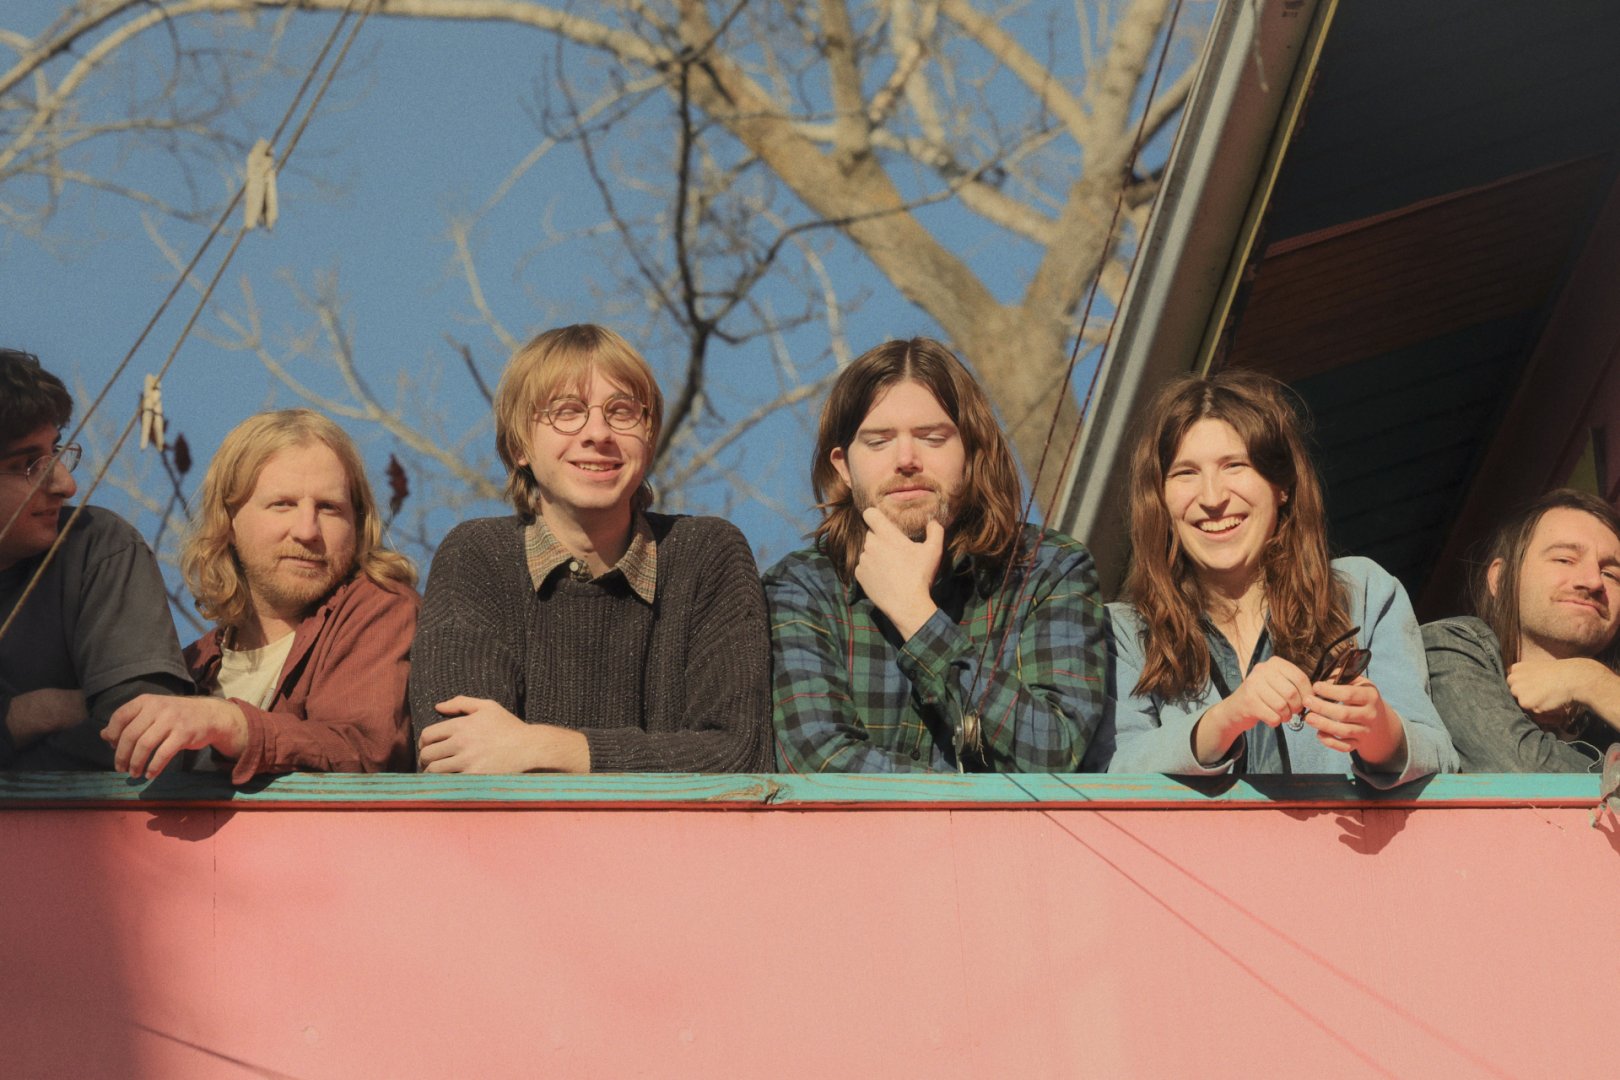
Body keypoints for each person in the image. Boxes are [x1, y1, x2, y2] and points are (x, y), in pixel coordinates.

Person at [408, 324, 771, 773]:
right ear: (520, 444)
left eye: (622, 412)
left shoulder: (707, 555)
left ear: (648, 438)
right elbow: (456, 756)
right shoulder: (478, 556)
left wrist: (547, 748)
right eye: (567, 411)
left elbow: (739, 754)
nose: (598, 432)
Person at [1096, 370, 1457, 782]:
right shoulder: (1122, 632)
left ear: (1282, 485)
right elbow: (1110, 773)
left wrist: (1378, 730)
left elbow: (1441, 757)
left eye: (1235, 466)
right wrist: (1227, 718)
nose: (1212, 497)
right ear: (1159, 498)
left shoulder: (1363, 591)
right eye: (1185, 473)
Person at [765, 337, 1107, 773]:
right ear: (843, 467)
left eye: (931, 438)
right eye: (878, 442)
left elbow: (1056, 752)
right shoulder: (801, 590)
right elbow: (820, 763)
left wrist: (917, 617)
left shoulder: (1048, 570)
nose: (906, 460)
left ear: (971, 454)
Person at [104, 410, 419, 782]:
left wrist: (233, 725)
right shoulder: (190, 667)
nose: (307, 531)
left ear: (357, 523)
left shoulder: (379, 610)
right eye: (282, 504)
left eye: (329, 508)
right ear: (228, 520)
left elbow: (364, 754)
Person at [0, 348, 192, 770]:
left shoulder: (96, 547)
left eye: (56, 452)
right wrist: (24, 716)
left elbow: (141, 739)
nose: (66, 485)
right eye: (28, 464)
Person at [1423, 489, 1620, 771]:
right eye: (1564, 559)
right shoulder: (1451, 646)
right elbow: (1522, 772)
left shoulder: (1604, 693)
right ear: (1501, 578)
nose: (1593, 581)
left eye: (1611, 574)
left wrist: (1592, 682)